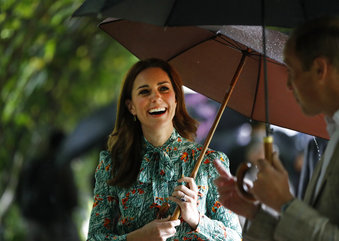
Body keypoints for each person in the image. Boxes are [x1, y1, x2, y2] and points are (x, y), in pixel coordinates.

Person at [86, 58, 242, 241]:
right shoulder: (112, 165)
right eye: (145, 92)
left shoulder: (210, 162)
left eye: (164, 89)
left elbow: (235, 238)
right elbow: (95, 238)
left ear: (176, 98)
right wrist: (138, 238)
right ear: (131, 106)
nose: (156, 98)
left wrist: (196, 219)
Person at [214, 16, 339, 241]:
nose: (289, 85)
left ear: (320, 69)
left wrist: (284, 202)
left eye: (292, 72)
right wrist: (254, 212)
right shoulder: (334, 135)